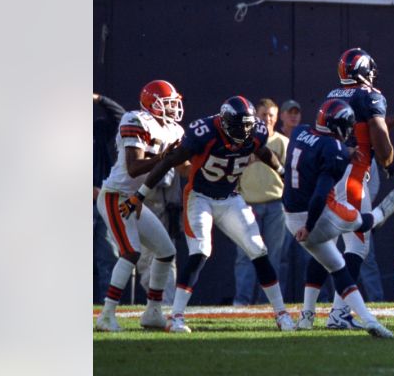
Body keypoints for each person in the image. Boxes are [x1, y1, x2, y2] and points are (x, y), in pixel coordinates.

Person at [121, 96, 293, 333]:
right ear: (224, 123)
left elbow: (262, 151)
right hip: (199, 197)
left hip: (230, 197)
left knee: (258, 249)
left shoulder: (256, 132)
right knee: (201, 251)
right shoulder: (204, 133)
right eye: (238, 125)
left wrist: (282, 173)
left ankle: (281, 314)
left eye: (247, 125)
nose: (243, 131)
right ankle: (176, 317)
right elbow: (169, 161)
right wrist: (139, 195)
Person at [285, 99, 394, 337]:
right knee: (361, 223)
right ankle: (381, 213)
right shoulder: (333, 150)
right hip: (317, 216)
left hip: (290, 217)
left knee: (337, 266)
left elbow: (315, 151)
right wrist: (309, 226)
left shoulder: (300, 132)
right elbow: (319, 195)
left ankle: (317, 318)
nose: (349, 131)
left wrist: (344, 152)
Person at [94, 81, 184, 332]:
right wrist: (165, 158)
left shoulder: (174, 130)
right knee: (131, 252)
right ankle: (107, 315)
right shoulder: (135, 120)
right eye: (167, 103)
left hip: (136, 199)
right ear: (151, 103)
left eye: (175, 103)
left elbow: (183, 166)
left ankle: (153, 312)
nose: (174, 108)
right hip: (116, 196)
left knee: (166, 251)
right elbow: (134, 166)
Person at [321, 48, 394, 329]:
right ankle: (338, 314)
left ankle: (322, 312)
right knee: (356, 246)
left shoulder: (332, 95)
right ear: (362, 70)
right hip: (352, 173)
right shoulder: (370, 95)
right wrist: (388, 160)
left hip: (331, 170)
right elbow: (378, 132)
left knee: (335, 244)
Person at [231, 99, 290, 306]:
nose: (267, 119)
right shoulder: (244, 142)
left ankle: (272, 303)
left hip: (275, 204)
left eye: (271, 115)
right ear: (255, 116)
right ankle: (242, 301)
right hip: (248, 204)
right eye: (263, 115)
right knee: (245, 256)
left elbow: (289, 174)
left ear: (277, 117)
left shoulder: (282, 142)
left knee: (276, 256)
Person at [92, 93, 124, 305]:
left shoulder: (99, 129)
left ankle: (108, 306)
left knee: (109, 255)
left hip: (102, 198)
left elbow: (122, 118)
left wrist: (100, 99)